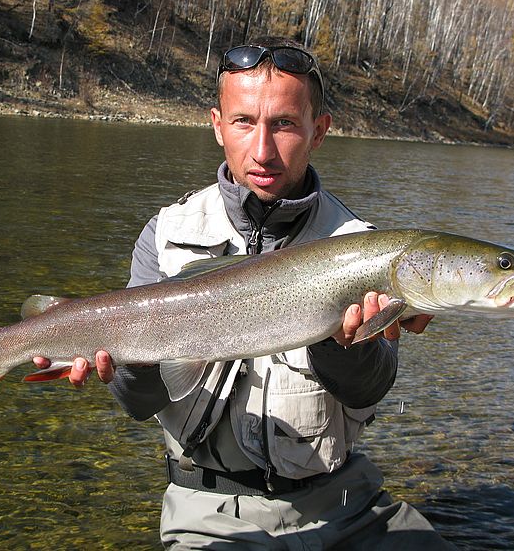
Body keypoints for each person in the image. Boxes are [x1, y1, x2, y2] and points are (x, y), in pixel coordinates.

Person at [35, 36, 456, 550]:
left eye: (283, 124)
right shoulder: (166, 235)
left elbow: (369, 390)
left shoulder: (363, 248)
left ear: (318, 130)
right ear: (217, 126)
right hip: (209, 513)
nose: (262, 150)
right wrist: (132, 364)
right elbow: (139, 404)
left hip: (349, 506)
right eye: (243, 123)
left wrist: (342, 342)